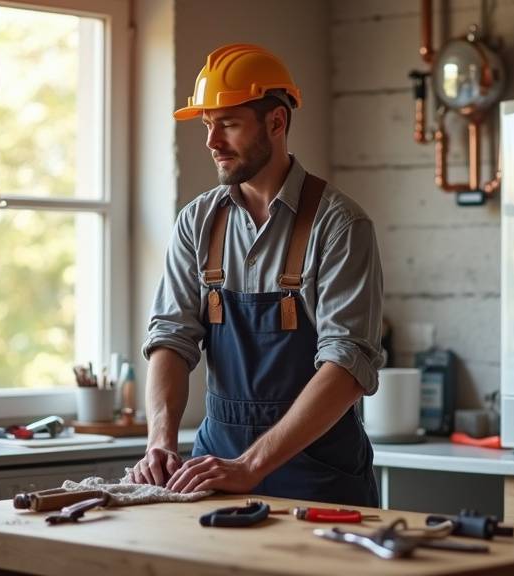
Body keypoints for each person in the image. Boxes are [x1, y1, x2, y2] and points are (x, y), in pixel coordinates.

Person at [129, 43, 384, 507]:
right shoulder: (197, 222)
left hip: (317, 476)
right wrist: (159, 442)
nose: (212, 141)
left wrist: (251, 466)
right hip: (215, 467)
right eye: (207, 125)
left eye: (228, 124)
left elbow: (347, 365)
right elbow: (170, 337)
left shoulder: (340, 225)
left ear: (276, 122)